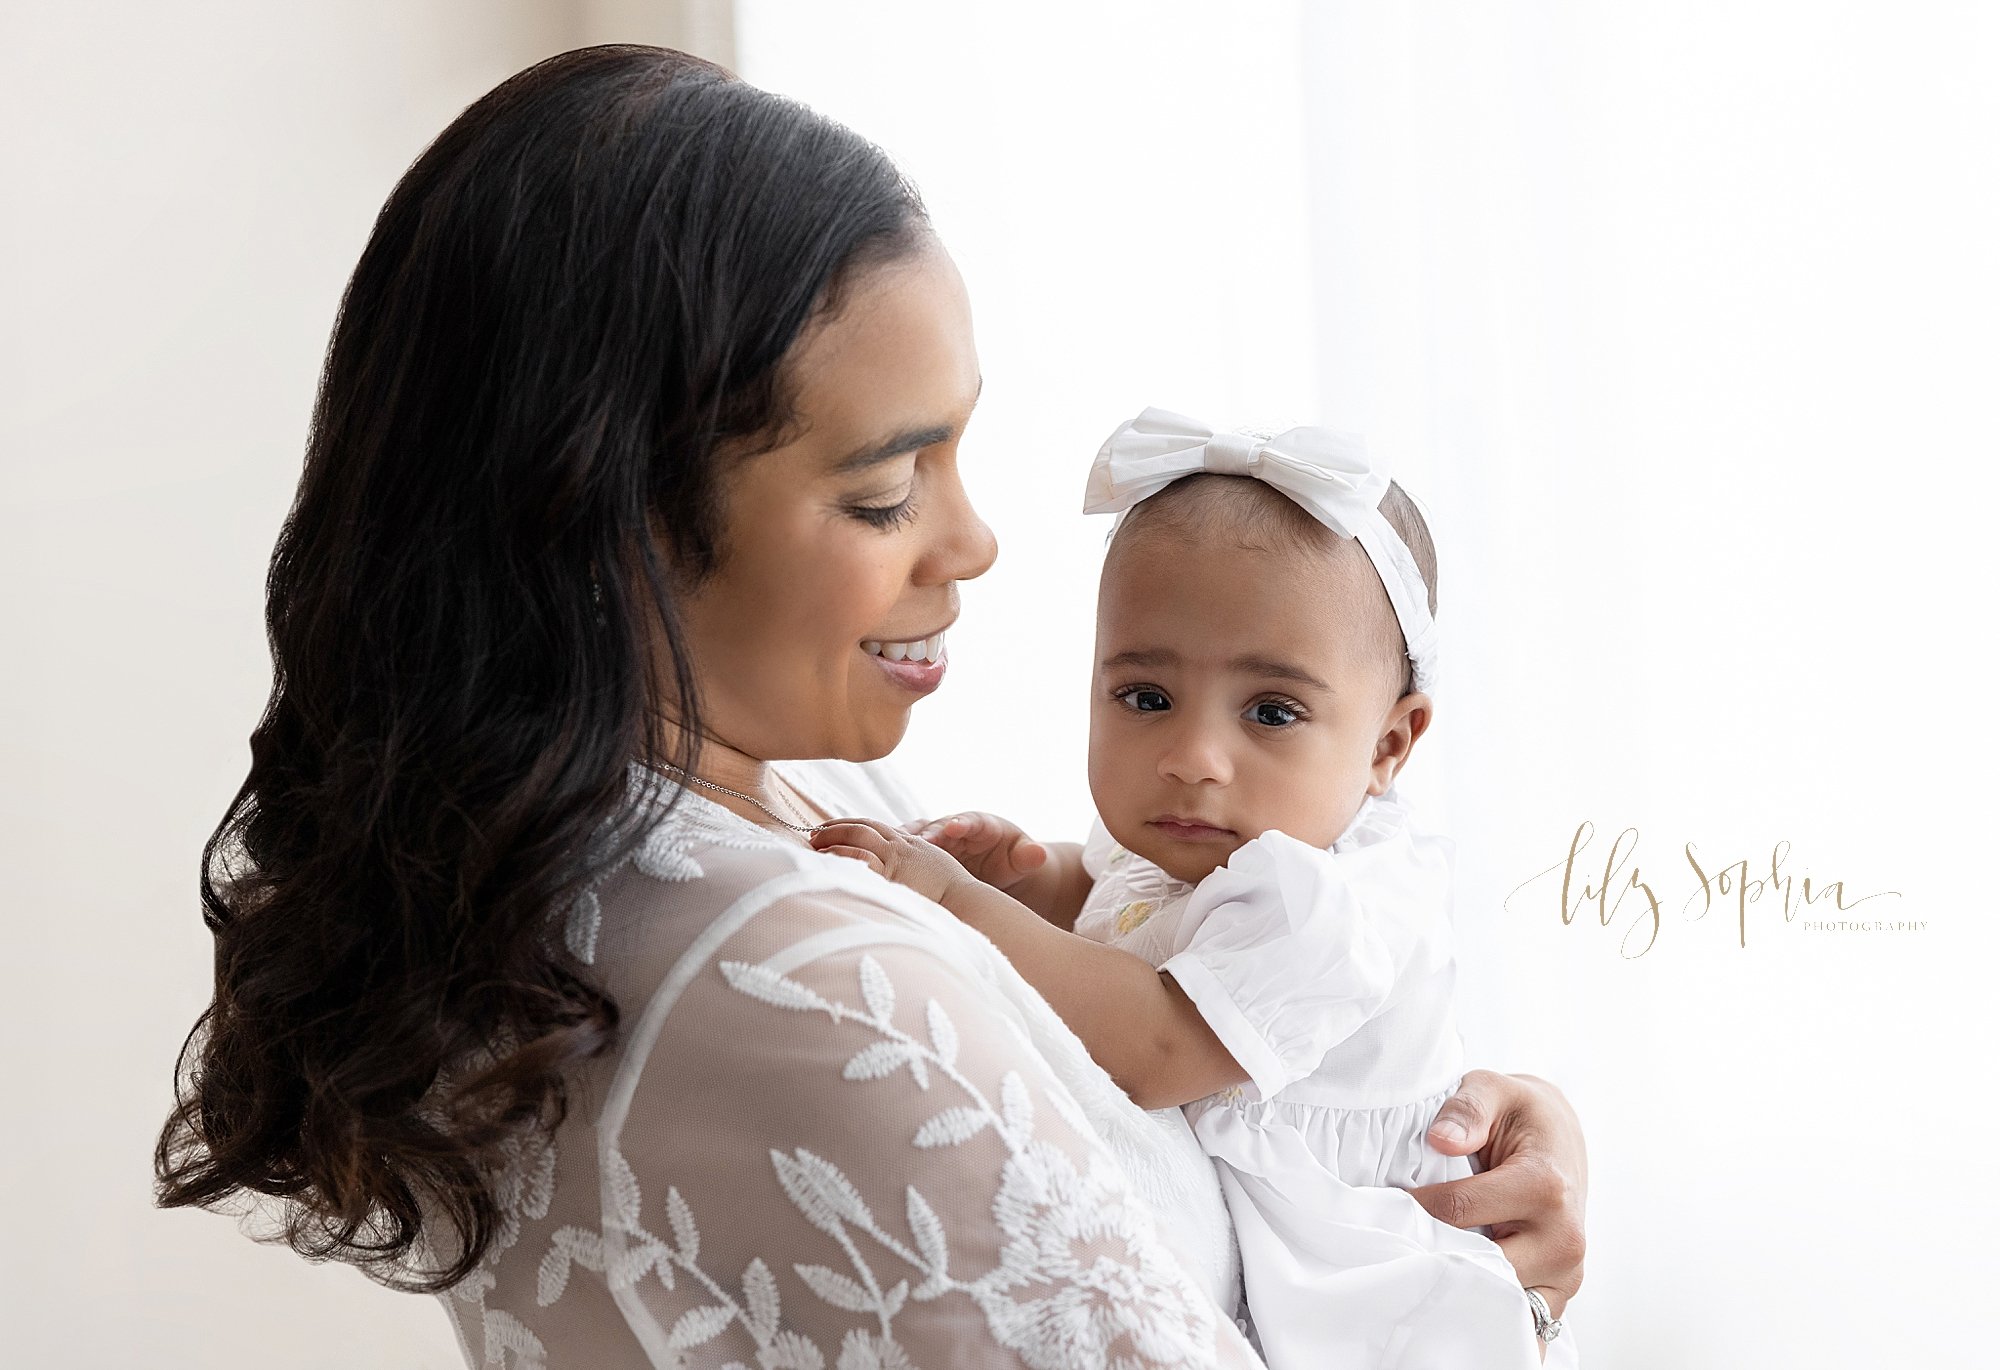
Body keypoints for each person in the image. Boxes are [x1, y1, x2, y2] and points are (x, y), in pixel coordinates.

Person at [152, 45, 1587, 1368]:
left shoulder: (743, 813)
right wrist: (1498, 1300)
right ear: (607, 515)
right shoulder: (796, 973)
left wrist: (1425, 1136)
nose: (972, 544)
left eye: (960, 455)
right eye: (890, 490)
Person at [811, 407, 1575, 1365]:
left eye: (1271, 711)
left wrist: (963, 904)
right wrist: (1028, 875)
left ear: (1389, 745)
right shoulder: (1205, 841)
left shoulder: (1324, 906)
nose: (1192, 757)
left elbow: (1153, 1039)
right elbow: (1120, 909)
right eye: (1145, 698)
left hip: (1364, 1293)